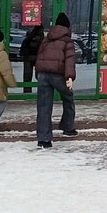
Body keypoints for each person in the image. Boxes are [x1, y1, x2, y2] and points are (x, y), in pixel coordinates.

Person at [34, 12, 77, 149]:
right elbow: (70, 60)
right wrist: (69, 77)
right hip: (58, 76)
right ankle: (68, 127)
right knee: (68, 98)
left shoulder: (46, 39)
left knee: (43, 107)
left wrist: (38, 73)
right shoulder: (67, 41)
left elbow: (39, 57)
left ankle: (44, 139)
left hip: (43, 75)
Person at [19, 25, 45, 94]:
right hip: (38, 58)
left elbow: (24, 47)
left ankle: (27, 92)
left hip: (28, 57)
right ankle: (42, 92)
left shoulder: (29, 37)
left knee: (27, 76)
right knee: (41, 77)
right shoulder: (42, 39)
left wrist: (23, 54)